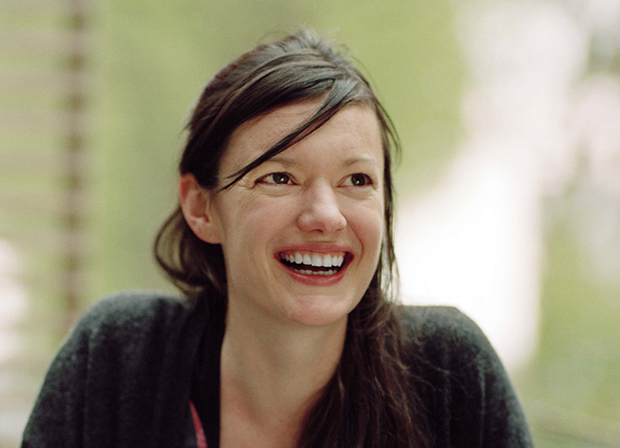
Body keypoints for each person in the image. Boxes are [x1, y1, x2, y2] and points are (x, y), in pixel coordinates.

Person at [22, 29, 534, 448]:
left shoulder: (449, 375)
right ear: (202, 208)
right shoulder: (118, 358)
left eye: (357, 181)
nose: (325, 216)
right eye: (279, 178)